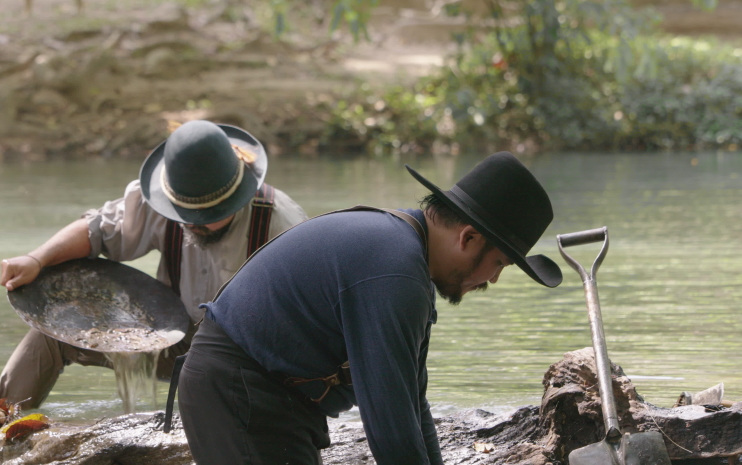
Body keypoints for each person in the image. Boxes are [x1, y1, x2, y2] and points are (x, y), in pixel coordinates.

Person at [174, 152, 563, 464]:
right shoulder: (395, 271)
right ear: (469, 237)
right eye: (498, 264)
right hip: (237, 391)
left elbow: (413, 407)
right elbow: (390, 426)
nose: (493, 280)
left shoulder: (406, 263)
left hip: (271, 398)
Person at [0, 120, 307, 411]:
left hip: (250, 358)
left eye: (208, 215)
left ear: (239, 196)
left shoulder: (282, 225)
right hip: (177, 342)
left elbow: (306, 330)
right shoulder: (161, 199)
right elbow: (97, 231)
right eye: (185, 214)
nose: (193, 223)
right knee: (53, 332)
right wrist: (37, 259)